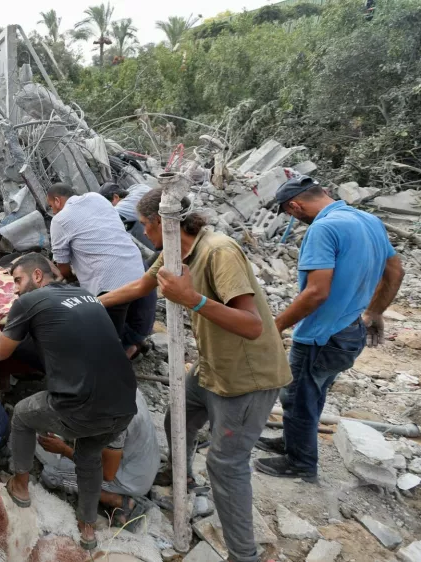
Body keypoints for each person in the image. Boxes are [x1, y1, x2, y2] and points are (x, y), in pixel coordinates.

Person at [99, 187, 291, 562]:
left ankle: (244, 555)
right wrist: (88, 303)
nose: (142, 234)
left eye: (143, 226)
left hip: (246, 376)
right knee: (179, 417)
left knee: (226, 465)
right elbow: (141, 286)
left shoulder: (219, 251)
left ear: (160, 223)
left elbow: (252, 326)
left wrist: (193, 300)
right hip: (211, 364)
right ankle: (183, 478)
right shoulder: (173, 253)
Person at [0, 252, 137, 551]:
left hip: (80, 407)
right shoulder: (85, 295)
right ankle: (88, 527)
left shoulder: (28, 302)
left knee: (24, 416)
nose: (15, 288)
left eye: (18, 280)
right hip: (124, 405)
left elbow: (2, 352)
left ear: (37, 276)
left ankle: (20, 486)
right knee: (88, 455)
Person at [254, 176, 403, 482]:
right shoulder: (368, 220)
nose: (295, 220)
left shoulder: (324, 228)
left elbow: (316, 293)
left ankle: (300, 464)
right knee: (314, 392)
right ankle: (292, 441)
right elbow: (395, 270)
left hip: (323, 333)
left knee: (298, 397)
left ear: (295, 206)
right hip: (349, 332)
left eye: (290, 214)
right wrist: (376, 311)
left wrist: (276, 326)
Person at [47, 183, 157, 358]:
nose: (53, 211)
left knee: (106, 338)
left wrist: (70, 278)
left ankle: (116, 361)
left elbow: (63, 265)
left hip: (111, 283)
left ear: (57, 201)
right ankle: (133, 344)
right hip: (136, 267)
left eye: (52, 206)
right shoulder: (96, 197)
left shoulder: (59, 220)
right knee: (134, 317)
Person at [38, 389, 160, 529]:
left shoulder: (114, 418)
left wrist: (64, 450)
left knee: (51, 474)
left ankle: (121, 501)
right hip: (144, 464)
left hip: (129, 479)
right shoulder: (127, 386)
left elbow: (107, 474)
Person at [99, 182, 155, 251]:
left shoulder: (122, 207)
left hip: (164, 230)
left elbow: (104, 220)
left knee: (132, 226)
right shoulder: (137, 187)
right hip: (166, 214)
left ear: (116, 197)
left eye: (108, 205)